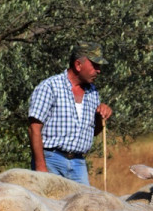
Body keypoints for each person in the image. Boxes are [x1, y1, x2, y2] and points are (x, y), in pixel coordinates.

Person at [28, 41, 113, 185]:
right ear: (78, 65)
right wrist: (41, 166)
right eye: (95, 65)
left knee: (85, 200)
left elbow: (93, 132)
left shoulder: (93, 92)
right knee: (51, 199)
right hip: (51, 159)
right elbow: (33, 128)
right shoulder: (50, 87)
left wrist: (101, 117)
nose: (98, 70)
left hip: (78, 163)